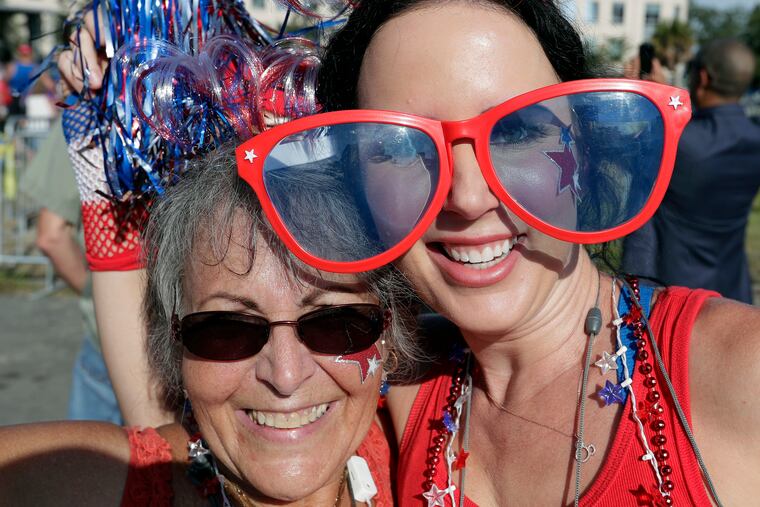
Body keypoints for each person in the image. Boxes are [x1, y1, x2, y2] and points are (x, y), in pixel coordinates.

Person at [229, 1, 760, 505]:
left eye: (518, 130)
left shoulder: (740, 375)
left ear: (588, 149)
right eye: (398, 146)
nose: (467, 196)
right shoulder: (388, 383)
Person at [1, 144, 408, 505]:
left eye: (336, 323)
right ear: (176, 344)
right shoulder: (126, 482)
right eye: (227, 330)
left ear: (389, 333)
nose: (285, 376)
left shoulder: (425, 449)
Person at [623, 38, 760, 304]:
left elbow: (618, 152)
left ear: (703, 76)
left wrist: (645, 97)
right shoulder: (755, 139)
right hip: (734, 290)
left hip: (676, 296)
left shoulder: (673, 141)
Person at [20, 117, 122, 424]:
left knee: (92, 464)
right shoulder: (212, 96)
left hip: (107, 335)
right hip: (193, 340)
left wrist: (100, 296)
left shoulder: (89, 111)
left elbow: (51, 235)